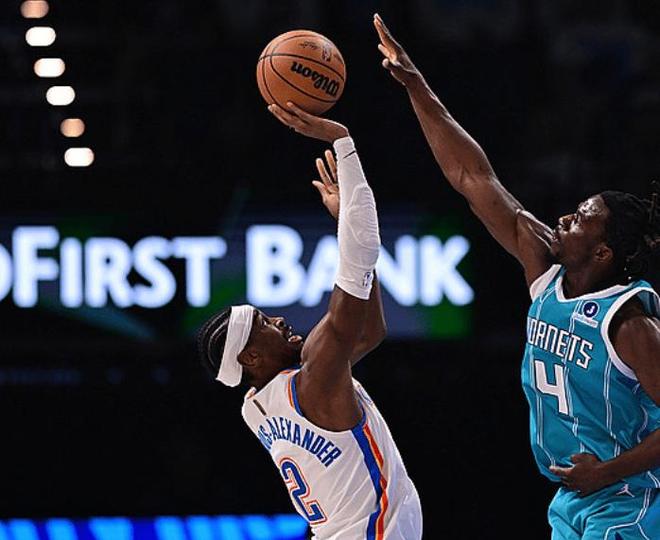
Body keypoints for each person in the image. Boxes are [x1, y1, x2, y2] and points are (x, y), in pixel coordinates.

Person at [372, 12, 660, 540]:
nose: (564, 218)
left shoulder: (631, 324)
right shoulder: (546, 271)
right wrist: (417, 86)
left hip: (631, 500)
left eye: (581, 219)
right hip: (573, 501)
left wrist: (608, 472)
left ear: (602, 253)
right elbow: (471, 176)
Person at [197, 103, 423, 540]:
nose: (279, 319)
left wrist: (346, 229)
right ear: (251, 356)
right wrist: (343, 142)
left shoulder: (255, 406)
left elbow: (370, 331)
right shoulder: (314, 376)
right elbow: (360, 255)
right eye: (264, 322)